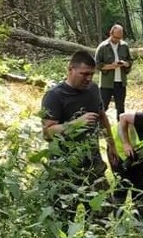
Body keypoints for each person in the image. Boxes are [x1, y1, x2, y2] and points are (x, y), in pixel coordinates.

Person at [41, 50, 119, 218]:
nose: (88, 78)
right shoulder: (54, 96)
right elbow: (47, 133)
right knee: (63, 218)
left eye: (91, 74)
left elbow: (101, 116)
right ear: (70, 69)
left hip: (93, 163)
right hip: (65, 167)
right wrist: (75, 124)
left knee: (103, 214)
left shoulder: (93, 89)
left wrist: (111, 144)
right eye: (84, 74)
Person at [95, 24, 133, 121]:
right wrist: (112, 66)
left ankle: (121, 129)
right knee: (103, 107)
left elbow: (130, 61)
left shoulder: (124, 46)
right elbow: (97, 65)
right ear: (110, 33)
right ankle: (99, 128)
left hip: (121, 82)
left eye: (119, 37)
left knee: (120, 107)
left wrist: (126, 64)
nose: (117, 39)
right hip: (106, 83)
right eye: (115, 37)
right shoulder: (103, 46)